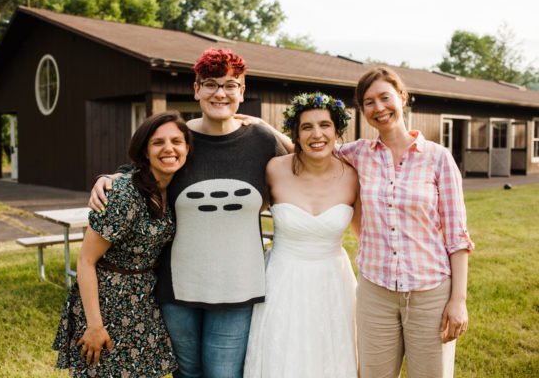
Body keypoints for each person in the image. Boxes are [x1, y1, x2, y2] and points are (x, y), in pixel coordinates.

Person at [89, 49, 290, 378]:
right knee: (187, 371)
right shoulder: (180, 138)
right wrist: (107, 179)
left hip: (238, 285)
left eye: (230, 85)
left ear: (242, 90)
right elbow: (139, 171)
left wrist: (267, 125)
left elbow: (306, 163)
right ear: (196, 90)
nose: (220, 93)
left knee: (223, 373)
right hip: (178, 285)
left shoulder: (261, 140)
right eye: (210, 84)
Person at [340, 67, 474, 378]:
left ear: (402, 98)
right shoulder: (357, 154)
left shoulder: (438, 158)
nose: (378, 108)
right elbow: (310, 151)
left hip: (430, 292)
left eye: (385, 97)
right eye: (369, 102)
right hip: (375, 292)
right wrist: (255, 126)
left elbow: (457, 237)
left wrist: (458, 301)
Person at [52, 111, 191, 377]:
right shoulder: (124, 193)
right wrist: (94, 324)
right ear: (144, 151)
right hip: (106, 303)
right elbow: (86, 260)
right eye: (158, 142)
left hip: (143, 302)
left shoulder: (171, 190)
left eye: (177, 141)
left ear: (187, 148)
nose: (169, 148)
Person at [243, 92, 360, 378]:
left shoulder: (354, 175)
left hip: (334, 280)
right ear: (295, 133)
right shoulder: (274, 169)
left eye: (325, 125)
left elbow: (366, 234)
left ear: (337, 130)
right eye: (307, 127)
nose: (316, 134)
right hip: (284, 279)